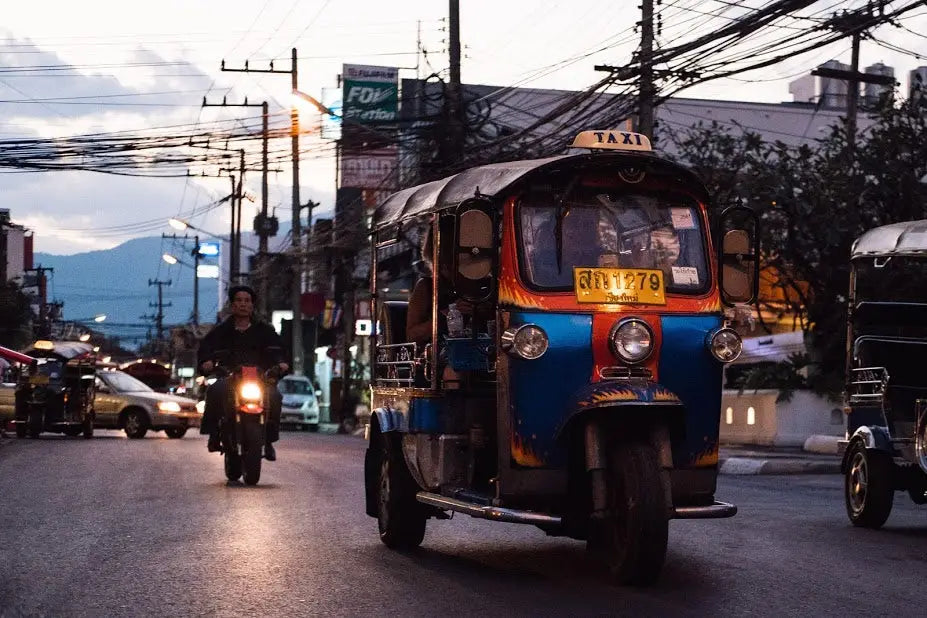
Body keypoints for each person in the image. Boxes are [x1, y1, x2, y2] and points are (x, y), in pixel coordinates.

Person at [197, 285, 289, 461]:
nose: (243, 304)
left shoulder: (265, 330)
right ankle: (214, 435)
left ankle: (268, 440)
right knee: (215, 390)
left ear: (252, 305)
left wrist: (281, 363)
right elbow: (206, 348)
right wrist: (207, 363)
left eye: (247, 301)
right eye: (239, 300)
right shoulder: (221, 330)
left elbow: (279, 350)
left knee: (275, 396)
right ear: (232, 305)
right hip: (230, 377)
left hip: (259, 379)